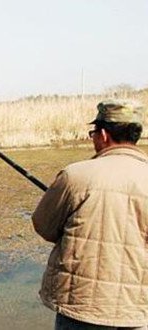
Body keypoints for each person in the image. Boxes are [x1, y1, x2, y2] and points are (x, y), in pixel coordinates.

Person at [32, 99, 148, 330]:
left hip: (82, 306)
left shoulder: (75, 175)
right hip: (138, 309)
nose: (93, 138)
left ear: (103, 135)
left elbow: (44, 226)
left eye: (93, 132)